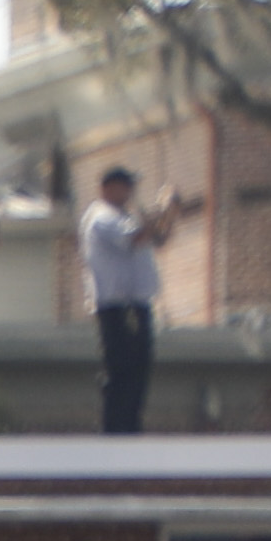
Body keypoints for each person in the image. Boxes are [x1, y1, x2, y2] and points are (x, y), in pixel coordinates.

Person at [80, 164, 183, 437]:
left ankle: (131, 427)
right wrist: (160, 209)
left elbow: (157, 239)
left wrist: (169, 214)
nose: (130, 191)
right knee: (122, 371)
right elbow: (135, 238)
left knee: (139, 371)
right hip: (117, 306)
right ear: (107, 188)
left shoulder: (125, 216)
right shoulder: (102, 217)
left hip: (136, 305)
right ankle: (116, 430)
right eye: (125, 185)